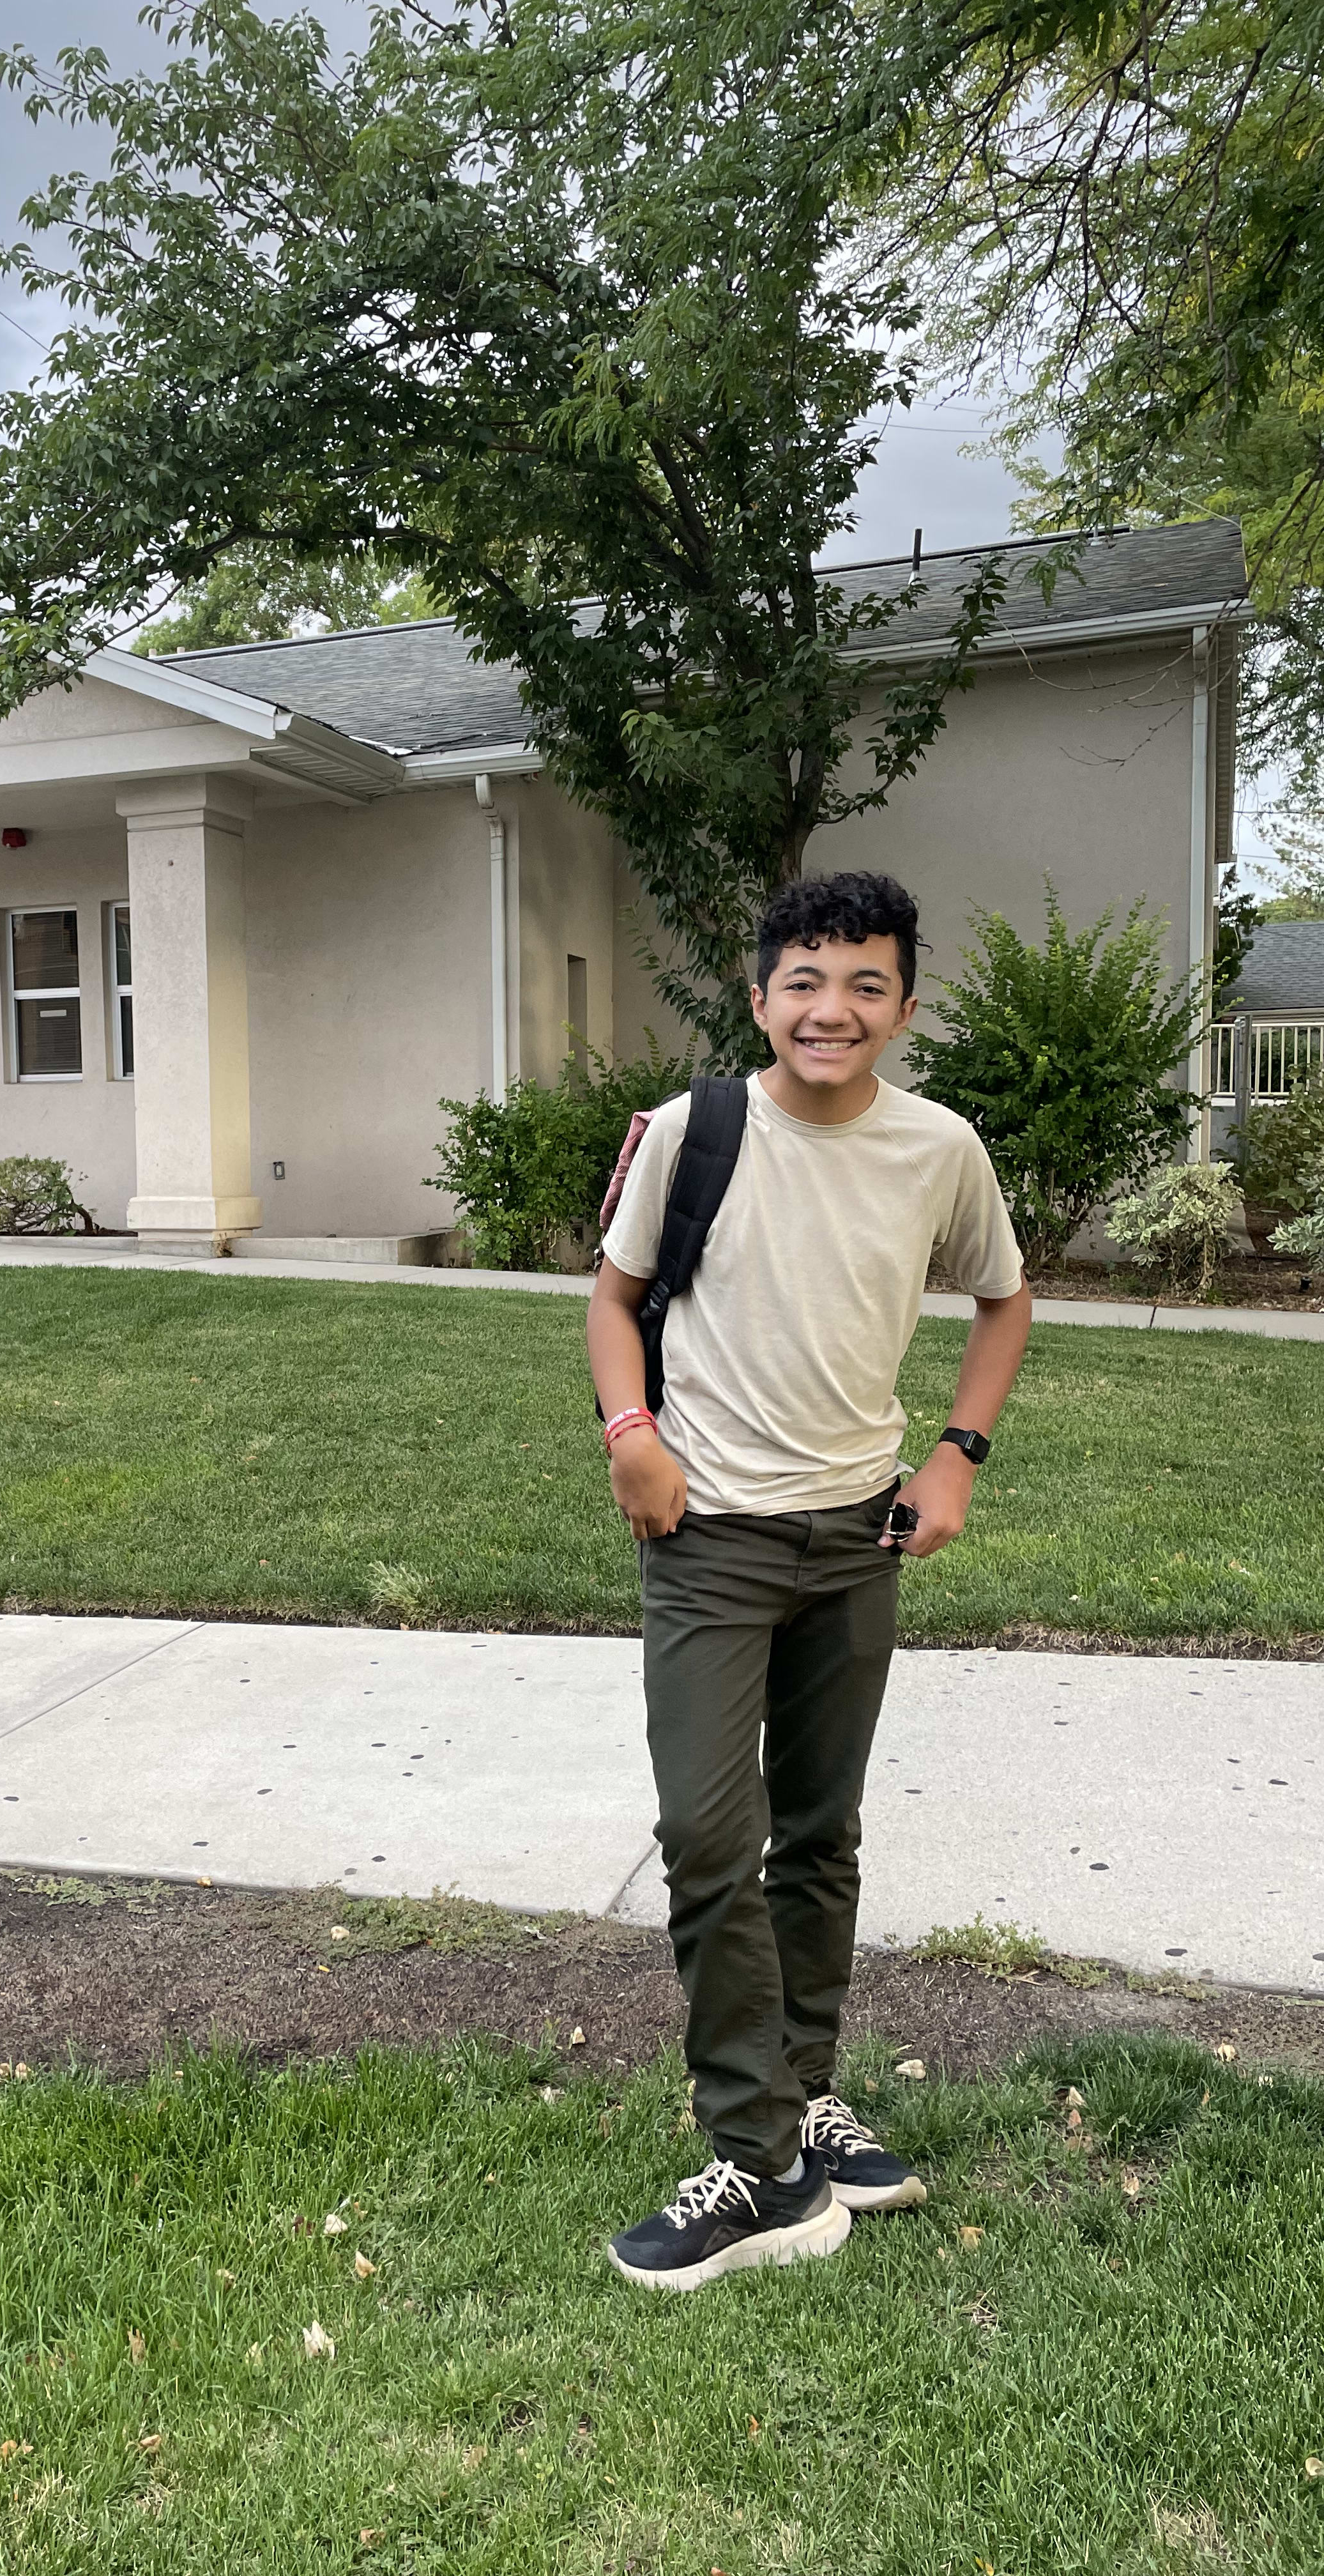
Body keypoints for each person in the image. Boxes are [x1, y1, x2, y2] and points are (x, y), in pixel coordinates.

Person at [587, 870, 1031, 2294]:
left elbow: (1004, 1298)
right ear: (761, 995)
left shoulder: (939, 1148)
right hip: (707, 1536)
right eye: (805, 981)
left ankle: (803, 2093)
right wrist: (631, 1434)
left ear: (904, 1006)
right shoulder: (692, 1130)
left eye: (864, 984)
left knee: (821, 1833)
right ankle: (761, 2161)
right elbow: (614, 1298)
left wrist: (955, 1458)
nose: (831, 1009)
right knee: (710, 1837)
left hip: (856, 1538)